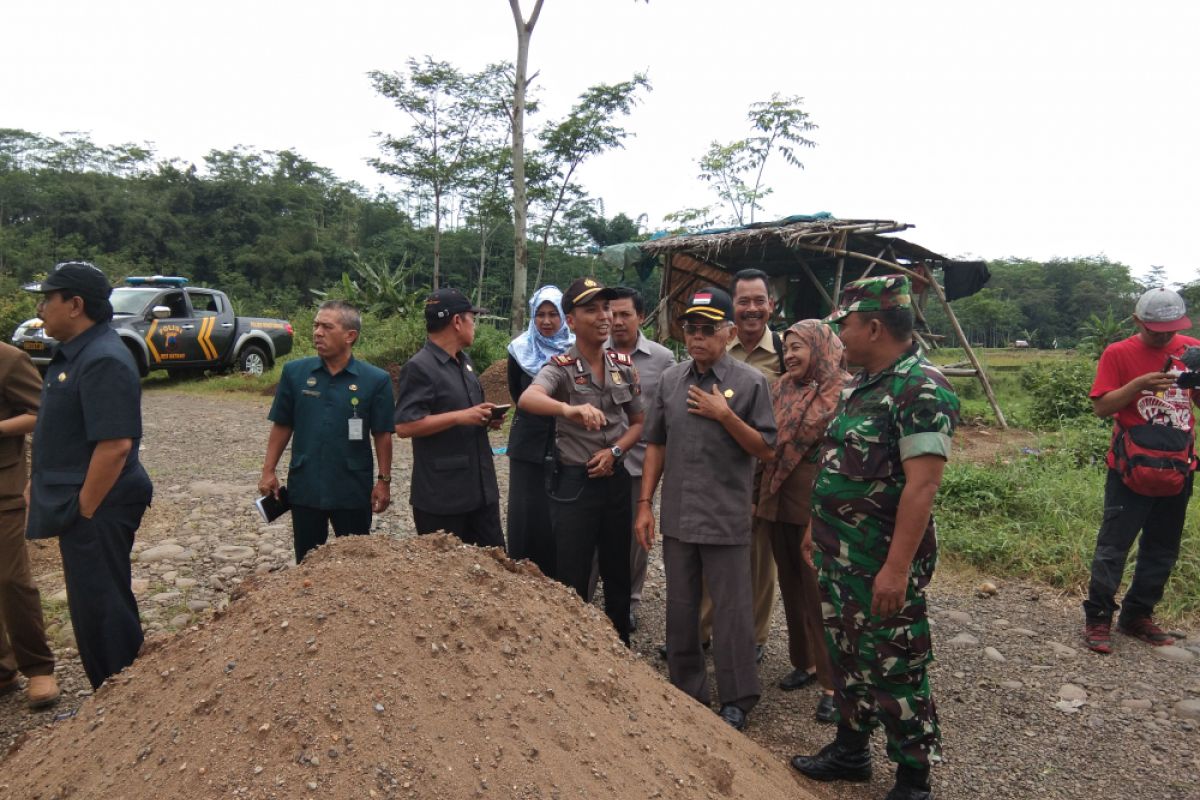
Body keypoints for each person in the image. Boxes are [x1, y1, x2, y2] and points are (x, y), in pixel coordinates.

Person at [791, 275, 958, 800]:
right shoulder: (863, 383)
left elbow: (923, 483)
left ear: (877, 326)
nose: (840, 336)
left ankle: (913, 778)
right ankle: (851, 750)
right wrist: (814, 534)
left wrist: (897, 568)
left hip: (880, 561)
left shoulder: (920, 387)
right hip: (840, 554)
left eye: (847, 325)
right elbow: (839, 465)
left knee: (895, 663)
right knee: (845, 655)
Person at [636, 286, 777, 732]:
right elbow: (655, 443)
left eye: (708, 329)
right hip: (679, 515)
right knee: (680, 607)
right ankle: (686, 687)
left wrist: (725, 415)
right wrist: (645, 504)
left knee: (733, 611)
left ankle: (737, 699)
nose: (697, 337)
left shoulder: (750, 382)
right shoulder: (671, 381)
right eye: (690, 328)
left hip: (724, 515)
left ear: (729, 331)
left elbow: (766, 448)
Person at [23, 261, 154, 690]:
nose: (41, 308)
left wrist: (84, 509)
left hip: (102, 503)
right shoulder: (77, 354)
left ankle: (120, 695)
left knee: (102, 605)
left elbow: (115, 445)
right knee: (92, 603)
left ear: (75, 304)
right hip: (87, 501)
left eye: (48, 299)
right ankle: (114, 692)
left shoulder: (103, 359)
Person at [518, 277, 644, 644]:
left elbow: (638, 424)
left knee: (618, 569)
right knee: (572, 573)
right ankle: (573, 650)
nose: (604, 317)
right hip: (574, 484)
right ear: (571, 321)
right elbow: (529, 399)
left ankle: (620, 647)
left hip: (615, 480)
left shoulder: (622, 364)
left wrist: (615, 452)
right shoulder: (560, 366)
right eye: (592, 309)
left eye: (606, 308)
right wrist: (568, 409)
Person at [1082, 287, 1200, 653]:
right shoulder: (1118, 353)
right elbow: (1102, 408)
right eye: (1156, 330)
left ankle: (1137, 615)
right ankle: (1098, 618)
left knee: (1162, 548)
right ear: (1137, 322)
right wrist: (1138, 386)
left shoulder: (1191, 348)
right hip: (1130, 468)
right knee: (1113, 546)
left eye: (1171, 329)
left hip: (1178, 466)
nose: (1165, 336)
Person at [756, 320, 847, 722]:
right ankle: (805, 662)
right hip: (778, 496)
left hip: (817, 500)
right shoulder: (780, 389)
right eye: (786, 348)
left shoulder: (842, 391)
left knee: (819, 591)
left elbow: (840, 457)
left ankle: (833, 683)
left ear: (821, 348)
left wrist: (821, 514)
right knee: (791, 584)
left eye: (799, 348)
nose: (790, 355)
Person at [260, 300, 393, 563]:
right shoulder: (295, 373)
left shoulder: (375, 380)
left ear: (350, 336)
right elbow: (283, 424)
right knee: (308, 560)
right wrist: (268, 470)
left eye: (326, 327)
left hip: (352, 487)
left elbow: (382, 433)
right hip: (306, 484)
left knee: (356, 560)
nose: (317, 332)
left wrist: (383, 481)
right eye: (316, 325)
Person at [698, 268, 782, 661]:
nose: (752, 309)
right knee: (710, 555)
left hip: (767, 474)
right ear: (732, 310)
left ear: (771, 306)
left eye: (759, 301)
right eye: (743, 301)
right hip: (720, 475)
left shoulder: (785, 350)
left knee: (759, 562)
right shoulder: (717, 347)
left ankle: (755, 638)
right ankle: (702, 631)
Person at [395, 288, 504, 547]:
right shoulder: (420, 367)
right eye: (472, 319)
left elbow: (466, 414)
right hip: (443, 498)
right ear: (457, 321)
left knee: (495, 571)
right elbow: (404, 425)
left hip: (481, 490)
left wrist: (485, 418)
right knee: (448, 579)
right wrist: (459, 417)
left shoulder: (464, 362)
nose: (474, 326)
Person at [607, 287, 675, 632]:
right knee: (594, 535)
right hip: (600, 462)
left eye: (625, 315)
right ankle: (588, 601)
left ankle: (630, 602)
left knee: (637, 542)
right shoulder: (592, 353)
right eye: (611, 314)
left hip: (638, 465)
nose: (616, 322)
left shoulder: (662, 360)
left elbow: (667, 415)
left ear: (641, 317)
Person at [0, 341, 58, 708]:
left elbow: (43, 413)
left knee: (11, 579)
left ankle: (38, 668)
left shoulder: (8, 359)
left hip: (3, 487)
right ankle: (3, 671)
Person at [505, 285, 573, 576]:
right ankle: (521, 573)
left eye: (552, 315)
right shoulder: (520, 350)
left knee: (559, 511)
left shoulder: (575, 348)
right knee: (525, 509)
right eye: (540, 315)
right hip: (528, 443)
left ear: (564, 317)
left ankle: (558, 578)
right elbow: (516, 393)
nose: (546, 321)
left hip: (568, 441)